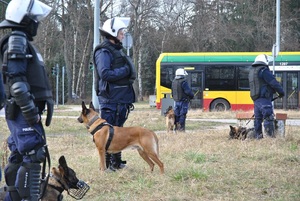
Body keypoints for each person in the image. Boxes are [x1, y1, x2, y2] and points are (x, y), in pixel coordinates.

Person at [0, 0, 54, 200]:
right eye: (34, 19)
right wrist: (30, 111)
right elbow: (17, 83)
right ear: (24, 19)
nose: (36, 23)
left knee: (20, 155)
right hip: (22, 111)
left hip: (21, 111)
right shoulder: (17, 40)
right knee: (32, 155)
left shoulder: (20, 40)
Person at [93, 17, 136, 171]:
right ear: (113, 33)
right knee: (108, 132)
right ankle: (107, 165)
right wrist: (125, 70)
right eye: (121, 32)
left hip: (119, 99)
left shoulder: (116, 50)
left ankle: (116, 162)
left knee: (118, 131)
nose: (123, 35)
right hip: (110, 99)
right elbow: (105, 74)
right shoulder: (103, 52)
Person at [248, 54, 284, 139]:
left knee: (258, 119)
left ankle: (258, 137)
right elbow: (273, 82)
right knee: (268, 116)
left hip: (256, 99)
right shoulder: (263, 70)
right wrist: (281, 92)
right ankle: (269, 138)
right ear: (265, 61)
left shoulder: (252, 71)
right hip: (264, 98)